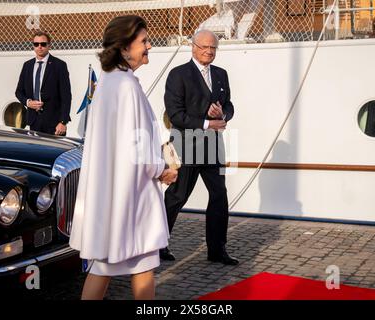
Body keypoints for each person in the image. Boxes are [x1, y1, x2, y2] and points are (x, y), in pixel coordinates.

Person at [69, 15, 178, 300]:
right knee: (137, 264)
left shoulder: (109, 82)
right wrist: (162, 169)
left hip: (116, 195)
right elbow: (137, 146)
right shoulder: (127, 87)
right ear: (124, 46)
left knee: (108, 266)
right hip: (133, 196)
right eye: (143, 41)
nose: (149, 46)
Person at [160, 30, 238, 265]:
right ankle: (158, 244)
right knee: (177, 197)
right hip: (186, 147)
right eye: (204, 47)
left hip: (214, 148)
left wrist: (222, 113)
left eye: (213, 47)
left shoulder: (221, 74)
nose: (209, 51)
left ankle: (217, 250)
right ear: (193, 47)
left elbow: (229, 106)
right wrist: (207, 122)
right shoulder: (178, 75)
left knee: (219, 196)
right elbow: (175, 114)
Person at [15, 31, 71, 135]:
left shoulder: (59, 65)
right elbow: (19, 92)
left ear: (49, 45)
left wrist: (63, 122)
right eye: (36, 44)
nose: (39, 47)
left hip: (54, 124)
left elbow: (66, 96)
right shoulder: (27, 66)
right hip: (34, 121)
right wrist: (28, 103)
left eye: (43, 44)